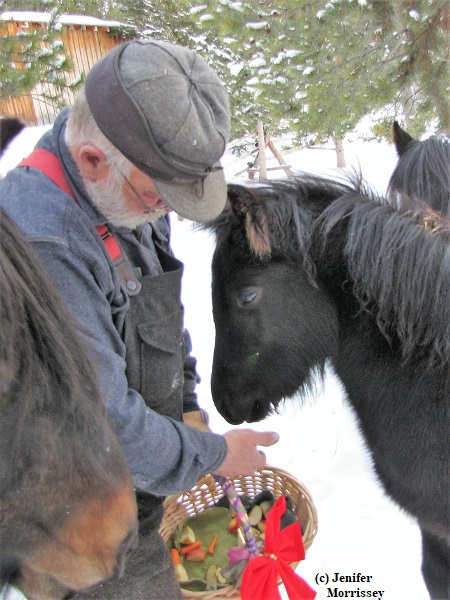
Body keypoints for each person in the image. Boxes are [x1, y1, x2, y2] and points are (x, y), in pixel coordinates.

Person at [0, 40, 279, 599]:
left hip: (153, 480)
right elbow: (108, 428)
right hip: (89, 520)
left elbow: (163, 319)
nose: (168, 212)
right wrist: (218, 456)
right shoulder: (46, 242)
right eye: (159, 198)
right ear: (92, 160)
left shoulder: (120, 186)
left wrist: (188, 407)